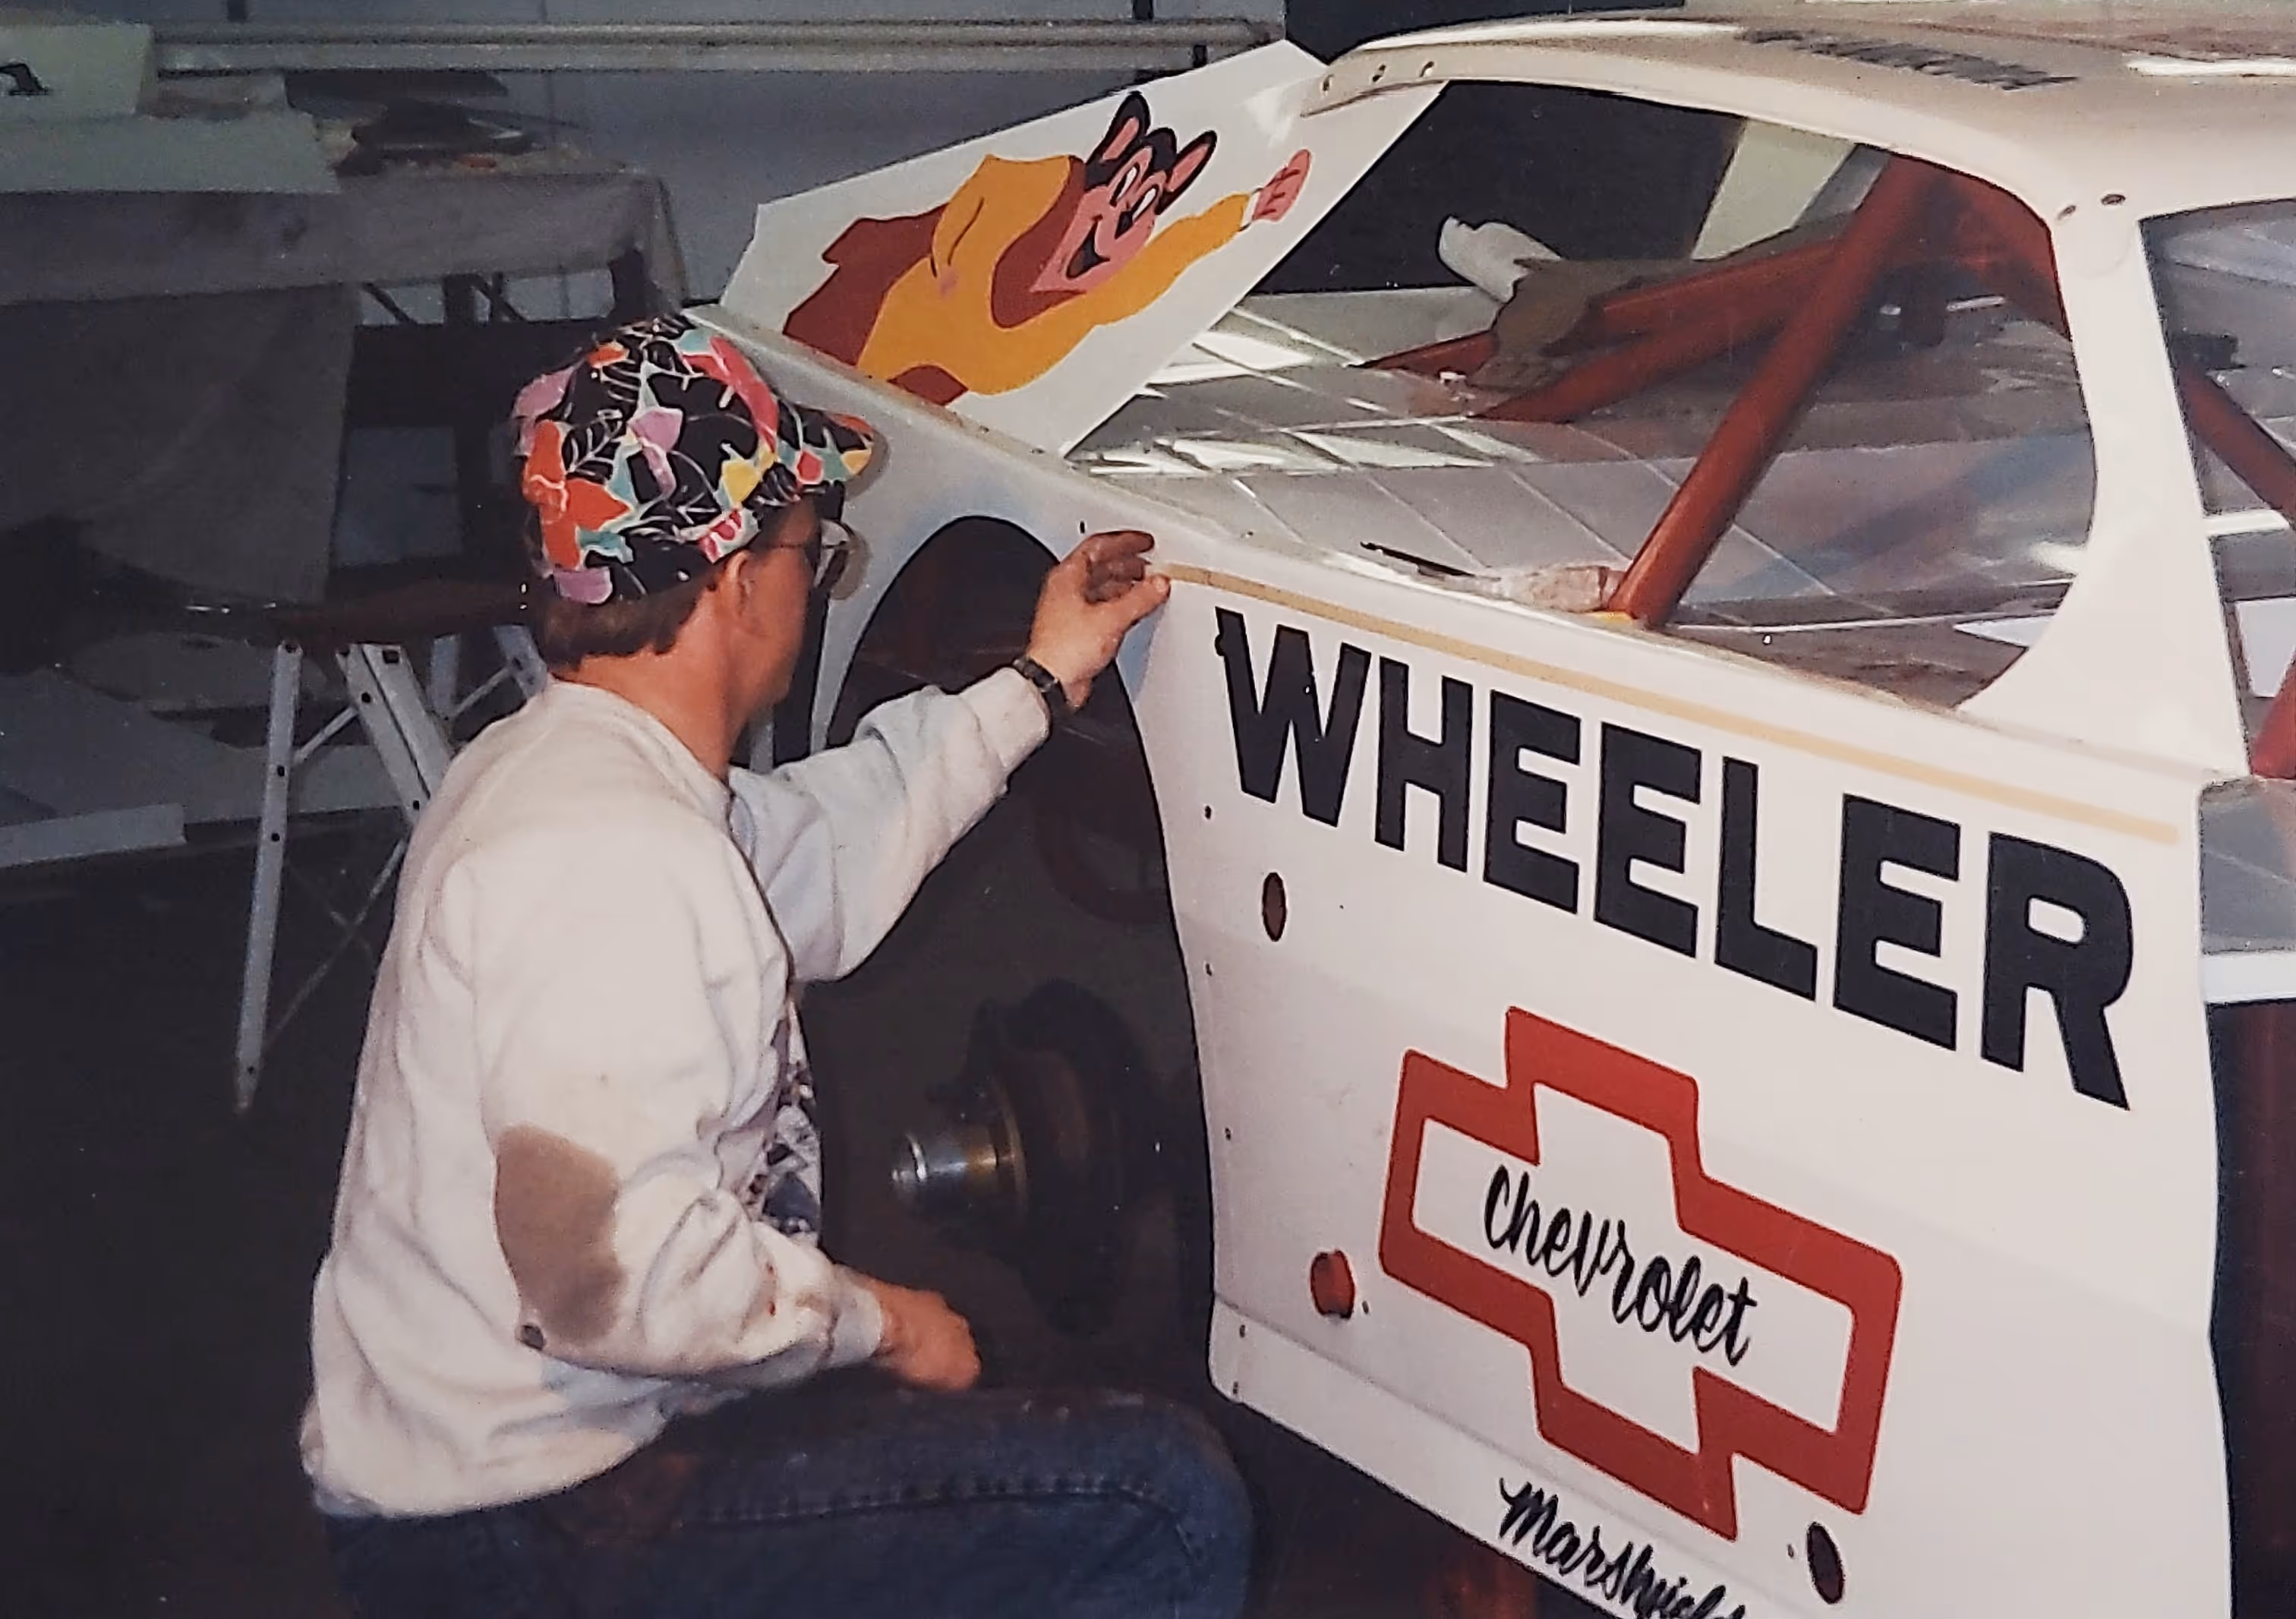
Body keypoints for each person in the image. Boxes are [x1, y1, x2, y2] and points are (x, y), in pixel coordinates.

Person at [301, 311, 1251, 1619]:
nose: (818, 579)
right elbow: (607, 1275)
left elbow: (825, 840)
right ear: (737, 577)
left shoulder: (565, 774)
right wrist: (884, 1321)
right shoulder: (612, 858)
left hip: (521, 1460)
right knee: (1163, 1499)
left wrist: (1038, 680)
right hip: (522, 1530)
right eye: (814, 548)